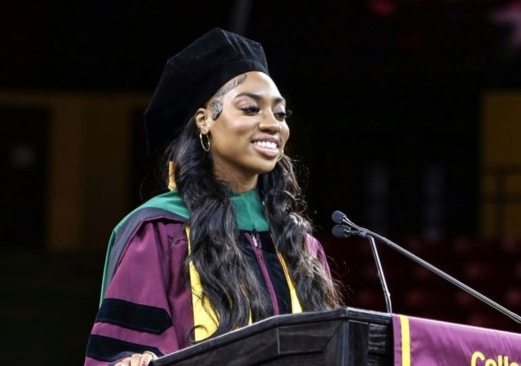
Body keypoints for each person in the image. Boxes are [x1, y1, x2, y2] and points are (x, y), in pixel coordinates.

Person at [84, 28, 343, 366]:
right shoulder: (160, 232)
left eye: (280, 114)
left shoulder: (299, 244)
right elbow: (124, 351)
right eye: (250, 108)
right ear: (204, 120)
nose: (272, 124)